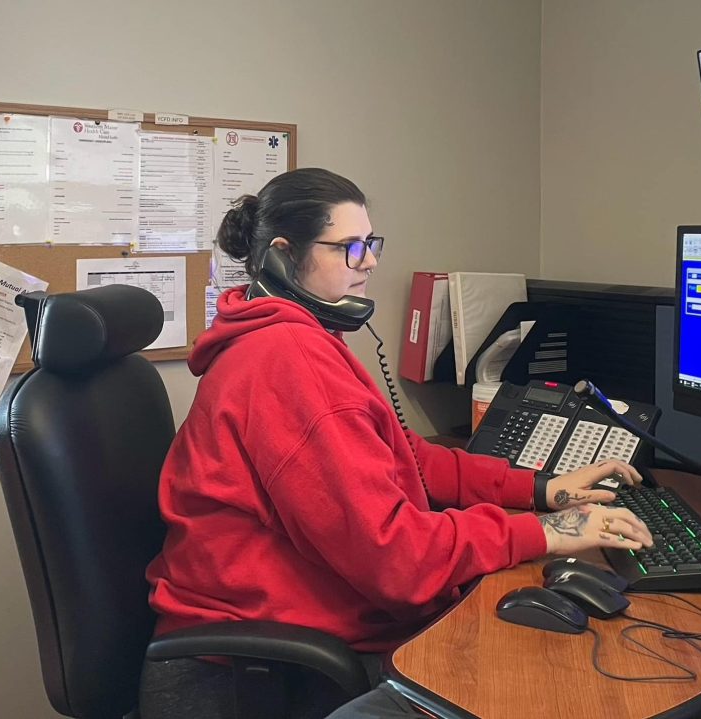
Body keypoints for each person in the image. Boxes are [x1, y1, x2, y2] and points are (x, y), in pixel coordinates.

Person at [139, 168, 652, 718]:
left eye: (372, 243)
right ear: (285, 256)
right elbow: (396, 559)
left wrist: (541, 489)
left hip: (292, 624)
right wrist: (544, 534)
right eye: (351, 247)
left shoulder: (294, 337)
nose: (371, 262)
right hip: (251, 674)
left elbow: (406, 455)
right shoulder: (284, 358)